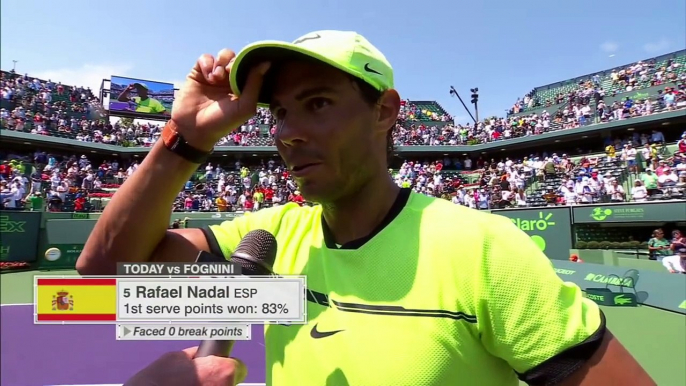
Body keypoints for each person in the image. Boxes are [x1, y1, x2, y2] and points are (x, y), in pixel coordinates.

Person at [78, 30, 653, 385]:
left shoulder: (482, 249)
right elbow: (106, 274)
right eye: (278, 112)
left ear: (385, 113)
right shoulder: (270, 237)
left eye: (318, 103)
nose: (287, 133)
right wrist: (185, 139)